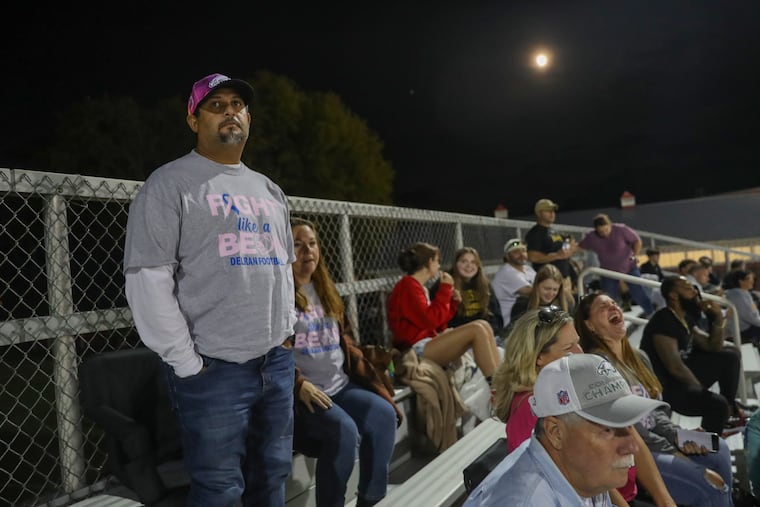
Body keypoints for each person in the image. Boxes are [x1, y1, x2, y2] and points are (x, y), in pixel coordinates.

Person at [124, 73, 296, 506]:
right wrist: (186, 362)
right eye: (216, 105)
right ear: (193, 119)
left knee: (273, 474)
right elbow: (147, 281)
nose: (230, 112)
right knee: (220, 489)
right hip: (214, 367)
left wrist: (287, 332)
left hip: (273, 361)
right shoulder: (169, 183)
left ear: (249, 118)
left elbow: (284, 267)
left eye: (237, 104)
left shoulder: (268, 188)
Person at [492, 307, 674, 507]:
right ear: (538, 358)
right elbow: (585, 473)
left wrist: (664, 499)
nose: (580, 352)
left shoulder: (573, 386)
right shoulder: (537, 408)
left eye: (578, 343)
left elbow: (630, 433)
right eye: (568, 348)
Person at [576, 292, 735, 506]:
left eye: (614, 303)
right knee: (711, 486)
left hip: (658, 441)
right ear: (590, 325)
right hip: (635, 453)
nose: (614, 308)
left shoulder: (639, 357)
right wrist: (675, 452)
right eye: (603, 307)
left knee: (721, 449)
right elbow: (630, 429)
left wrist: (678, 435)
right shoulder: (598, 367)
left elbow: (655, 413)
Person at [289, 218, 401, 507]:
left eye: (312, 244)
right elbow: (272, 353)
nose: (307, 251)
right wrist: (298, 384)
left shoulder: (325, 289)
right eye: (298, 245)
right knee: (344, 430)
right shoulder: (279, 295)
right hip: (307, 393)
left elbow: (345, 336)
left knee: (383, 414)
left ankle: (371, 499)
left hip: (340, 384)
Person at [464, 353, 670, 507]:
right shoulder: (527, 501)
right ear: (555, 433)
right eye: (607, 430)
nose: (633, 446)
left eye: (627, 425)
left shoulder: (581, 471)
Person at [639, 275, 744, 434]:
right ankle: (709, 449)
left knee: (731, 356)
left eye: (694, 288)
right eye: (688, 288)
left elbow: (712, 346)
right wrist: (704, 394)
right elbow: (675, 367)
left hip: (679, 379)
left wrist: (716, 319)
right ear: (673, 295)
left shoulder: (685, 318)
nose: (695, 292)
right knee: (717, 404)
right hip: (665, 388)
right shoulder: (663, 320)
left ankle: (729, 412)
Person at [386, 242, 500, 382]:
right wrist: (445, 288)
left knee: (484, 325)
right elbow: (430, 320)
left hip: (427, 342)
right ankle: (495, 387)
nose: (439, 266)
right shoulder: (408, 286)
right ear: (429, 262)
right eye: (437, 261)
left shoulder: (419, 287)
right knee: (477, 329)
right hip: (415, 349)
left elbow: (437, 323)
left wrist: (452, 305)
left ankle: (500, 380)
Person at [577, 213, 654, 316]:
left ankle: (651, 313)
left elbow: (637, 241)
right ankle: (611, 318)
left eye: (606, 230)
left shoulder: (621, 229)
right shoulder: (591, 237)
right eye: (601, 232)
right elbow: (580, 247)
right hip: (608, 272)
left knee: (638, 292)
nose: (604, 233)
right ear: (596, 230)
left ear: (610, 225)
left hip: (629, 267)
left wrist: (635, 254)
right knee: (608, 297)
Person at [431, 246, 503, 335]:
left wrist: (492, 331)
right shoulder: (445, 284)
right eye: (464, 261)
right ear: (455, 264)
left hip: (484, 333)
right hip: (457, 335)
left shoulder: (485, 285)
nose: (469, 265)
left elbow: (495, 315)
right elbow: (439, 318)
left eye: (473, 262)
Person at [524, 198, 579, 308]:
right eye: (548, 211)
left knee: (571, 309)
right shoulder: (536, 233)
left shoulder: (553, 231)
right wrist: (558, 255)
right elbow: (532, 256)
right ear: (539, 213)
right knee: (560, 314)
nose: (552, 213)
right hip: (551, 283)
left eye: (553, 211)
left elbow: (563, 256)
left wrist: (573, 276)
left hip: (564, 280)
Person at [490, 238, 535, 334]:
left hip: (524, 316)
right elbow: (530, 291)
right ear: (507, 256)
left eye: (523, 251)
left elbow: (544, 285)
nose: (521, 254)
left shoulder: (528, 269)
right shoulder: (507, 272)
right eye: (516, 252)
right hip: (509, 324)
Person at [509, 264, 572, 330]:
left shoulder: (565, 305)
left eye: (555, 289)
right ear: (537, 286)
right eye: (547, 288)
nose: (551, 293)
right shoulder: (522, 306)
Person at [723, 269, 760, 346]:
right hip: (741, 330)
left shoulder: (742, 292)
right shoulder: (738, 296)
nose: (753, 281)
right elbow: (751, 317)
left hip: (746, 326)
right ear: (741, 281)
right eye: (750, 279)